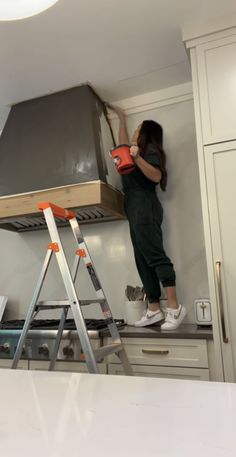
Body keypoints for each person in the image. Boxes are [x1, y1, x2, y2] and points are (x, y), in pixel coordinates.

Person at [108, 105, 186, 329]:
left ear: (145, 134)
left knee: (154, 255)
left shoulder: (149, 150)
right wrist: (121, 118)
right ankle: (153, 309)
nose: (133, 131)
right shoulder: (132, 151)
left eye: (137, 128)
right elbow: (123, 143)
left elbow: (156, 175)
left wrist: (138, 156)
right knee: (142, 259)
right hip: (133, 205)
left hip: (144, 203)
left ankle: (174, 307)